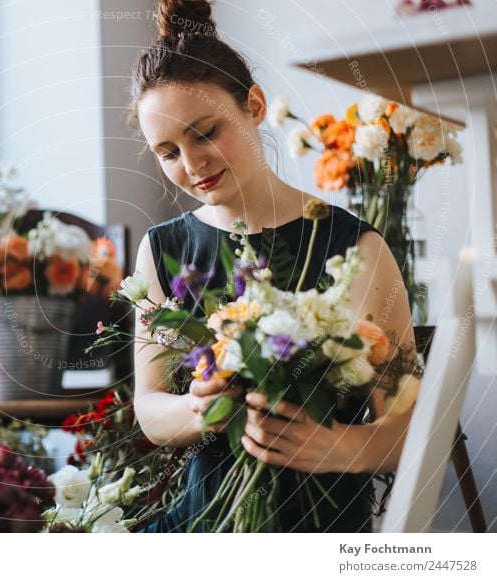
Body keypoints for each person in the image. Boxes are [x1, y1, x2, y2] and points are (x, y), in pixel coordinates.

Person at [129, 0, 417, 532]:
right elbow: (148, 408)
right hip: (204, 523)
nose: (192, 166)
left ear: (255, 106)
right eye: (167, 152)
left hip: (318, 527)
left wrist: (336, 447)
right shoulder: (162, 249)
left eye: (206, 132)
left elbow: (412, 424)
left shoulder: (356, 246)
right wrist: (197, 408)